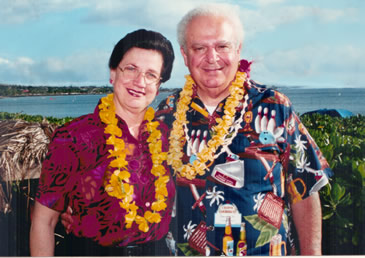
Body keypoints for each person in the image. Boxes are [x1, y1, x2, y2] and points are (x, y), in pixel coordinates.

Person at [154, 4, 333, 256]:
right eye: (199, 48)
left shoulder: (275, 107)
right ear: (185, 55)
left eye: (222, 46)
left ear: (238, 50)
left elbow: (306, 187)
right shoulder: (167, 113)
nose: (212, 58)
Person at [29, 29, 176, 256]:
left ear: (158, 85)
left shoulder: (166, 137)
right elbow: (44, 222)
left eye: (151, 75)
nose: (140, 82)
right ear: (113, 72)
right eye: (131, 69)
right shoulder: (74, 137)